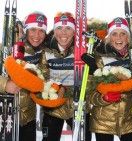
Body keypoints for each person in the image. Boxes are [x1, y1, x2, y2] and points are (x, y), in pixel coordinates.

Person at [40, 12, 91, 141]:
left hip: (78, 105)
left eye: (68, 28)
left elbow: (92, 78)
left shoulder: (83, 49)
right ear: (54, 31)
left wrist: (92, 68)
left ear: (74, 32)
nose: (63, 33)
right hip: (53, 108)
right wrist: (55, 88)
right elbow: (42, 77)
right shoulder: (46, 50)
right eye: (59, 28)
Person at [88, 17, 132, 141]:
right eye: (114, 34)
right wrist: (103, 98)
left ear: (128, 37)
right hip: (102, 120)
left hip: (128, 120)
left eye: (123, 34)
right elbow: (89, 93)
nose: (119, 38)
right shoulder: (98, 59)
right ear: (109, 38)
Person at [0, 11, 47, 141]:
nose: (37, 35)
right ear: (25, 30)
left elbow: (45, 78)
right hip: (5, 115)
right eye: (32, 29)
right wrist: (5, 84)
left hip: (27, 118)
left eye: (41, 31)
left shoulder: (42, 53)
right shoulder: (6, 47)